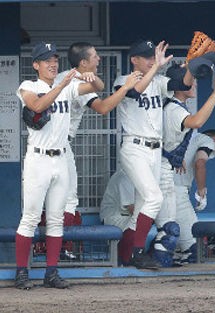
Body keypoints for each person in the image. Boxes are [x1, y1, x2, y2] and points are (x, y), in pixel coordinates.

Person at [15, 42, 102, 289]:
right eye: (46, 60)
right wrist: (63, 84)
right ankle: (22, 273)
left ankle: (51, 273)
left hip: (61, 157)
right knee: (30, 218)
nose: (52, 64)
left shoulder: (70, 86)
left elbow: (100, 88)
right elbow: (37, 106)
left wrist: (92, 79)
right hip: (38, 158)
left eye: (54, 59)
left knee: (55, 219)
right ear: (36, 65)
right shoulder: (29, 86)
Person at [55, 42, 142, 260]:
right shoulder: (76, 79)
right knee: (68, 200)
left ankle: (59, 250)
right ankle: (63, 250)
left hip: (48, 144)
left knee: (53, 201)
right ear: (83, 62)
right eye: (94, 56)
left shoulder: (65, 76)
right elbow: (103, 108)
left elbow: (99, 86)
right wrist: (125, 87)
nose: (99, 59)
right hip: (58, 146)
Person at [114, 40, 194, 269]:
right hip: (134, 147)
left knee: (141, 209)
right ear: (134, 60)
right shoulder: (123, 80)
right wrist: (156, 68)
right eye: (147, 57)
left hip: (155, 151)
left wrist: (191, 67)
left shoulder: (158, 81)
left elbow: (183, 84)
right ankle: (138, 253)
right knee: (154, 198)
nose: (152, 60)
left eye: (154, 56)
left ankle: (125, 256)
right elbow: (134, 93)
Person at [151, 60, 215, 267]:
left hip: (161, 172)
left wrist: (176, 154)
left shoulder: (170, 105)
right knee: (170, 233)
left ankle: (157, 263)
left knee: (177, 237)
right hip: (165, 178)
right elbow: (197, 122)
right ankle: (153, 271)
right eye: (188, 82)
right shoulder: (173, 108)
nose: (192, 85)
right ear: (177, 86)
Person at [173, 129, 215, 264]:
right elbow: (199, 163)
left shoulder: (178, 135)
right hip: (176, 189)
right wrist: (201, 190)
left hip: (155, 186)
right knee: (194, 242)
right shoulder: (205, 140)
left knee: (169, 234)